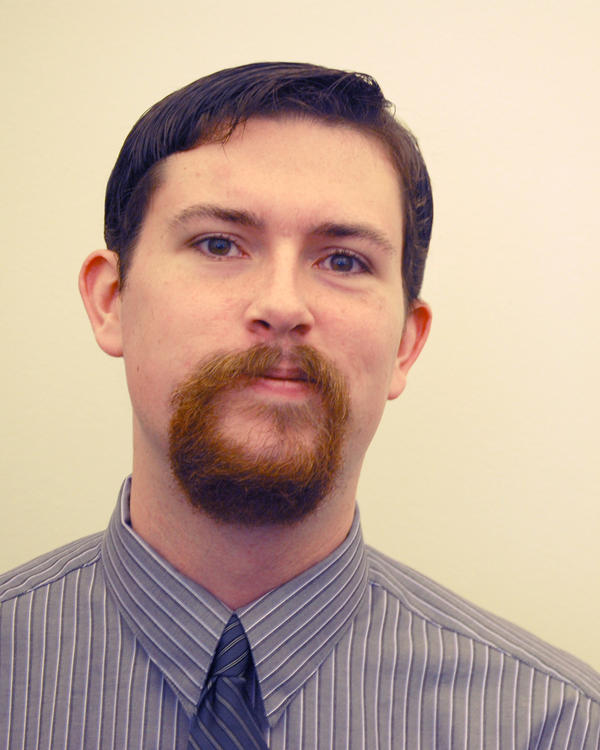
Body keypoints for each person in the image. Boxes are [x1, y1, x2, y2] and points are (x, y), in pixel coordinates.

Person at [0, 62, 598, 749]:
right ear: (112, 301)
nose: (283, 305)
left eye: (343, 260)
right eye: (219, 244)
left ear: (405, 345)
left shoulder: (555, 728)